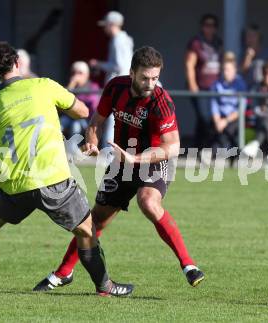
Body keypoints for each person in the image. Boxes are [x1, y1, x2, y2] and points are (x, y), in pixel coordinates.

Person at [0, 41, 133, 297]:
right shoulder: (43, 85)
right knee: (87, 231)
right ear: (18, 62)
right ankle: (105, 287)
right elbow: (83, 111)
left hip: (14, 185)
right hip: (54, 180)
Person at [33, 46, 205, 292]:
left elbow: (173, 146)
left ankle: (188, 265)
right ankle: (63, 273)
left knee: (148, 203)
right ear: (132, 72)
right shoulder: (115, 87)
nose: (150, 83)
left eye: (155, 78)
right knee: (95, 221)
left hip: (153, 161)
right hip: (121, 162)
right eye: (145, 77)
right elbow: (96, 122)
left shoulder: (161, 101)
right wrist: (92, 140)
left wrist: (136, 159)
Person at [90, 11, 134, 148]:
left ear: (112, 24)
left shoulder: (118, 40)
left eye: (106, 25)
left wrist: (98, 64)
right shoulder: (125, 39)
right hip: (125, 83)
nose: (104, 28)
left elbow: (120, 65)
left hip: (119, 84)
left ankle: (109, 152)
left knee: (112, 119)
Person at [185, 13, 223, 150]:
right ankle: (201, 147)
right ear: (202, 27)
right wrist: (192, 85)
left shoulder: (218, 42)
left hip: (215, 88)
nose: (209, 28)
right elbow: (189, 64)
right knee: (204, 117)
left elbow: (223, 63)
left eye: (212, 25)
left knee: (209, 119)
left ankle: (200, 147)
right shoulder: (196, 43)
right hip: (200, 87)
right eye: (207, 25)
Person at [210, 52, 247, 152]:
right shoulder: (216, 84)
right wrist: (218, 121)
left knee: (229, 129)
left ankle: (217, 151)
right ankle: (221, 151)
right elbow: (214, 106)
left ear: (235, 70)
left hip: (234, 118)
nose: (226, 72)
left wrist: (225, 121)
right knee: (209, 125)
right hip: (220, 118)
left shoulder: (240, 84)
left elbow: (241, 109)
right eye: (224, 70)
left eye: (229, 70)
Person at [60, 61, 100, 138]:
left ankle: (73, 149)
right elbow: (63, 103)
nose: (76, 75)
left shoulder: (93, 86)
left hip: (86, 118)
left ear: (87, 75)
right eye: (74, 72)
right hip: (70, 116)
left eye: (80, 73)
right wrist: (71, 86)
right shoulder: (71, 86)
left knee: (75, 126)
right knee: (60, 123)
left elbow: (93, 105)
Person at [240, 24, 268, 88]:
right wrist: (248, 57)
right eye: (248, 36)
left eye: (253, 36)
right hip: (248, 90)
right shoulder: (243, 53)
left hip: (263, 88)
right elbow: (240, 73)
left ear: (259, 37)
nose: (251, 39)